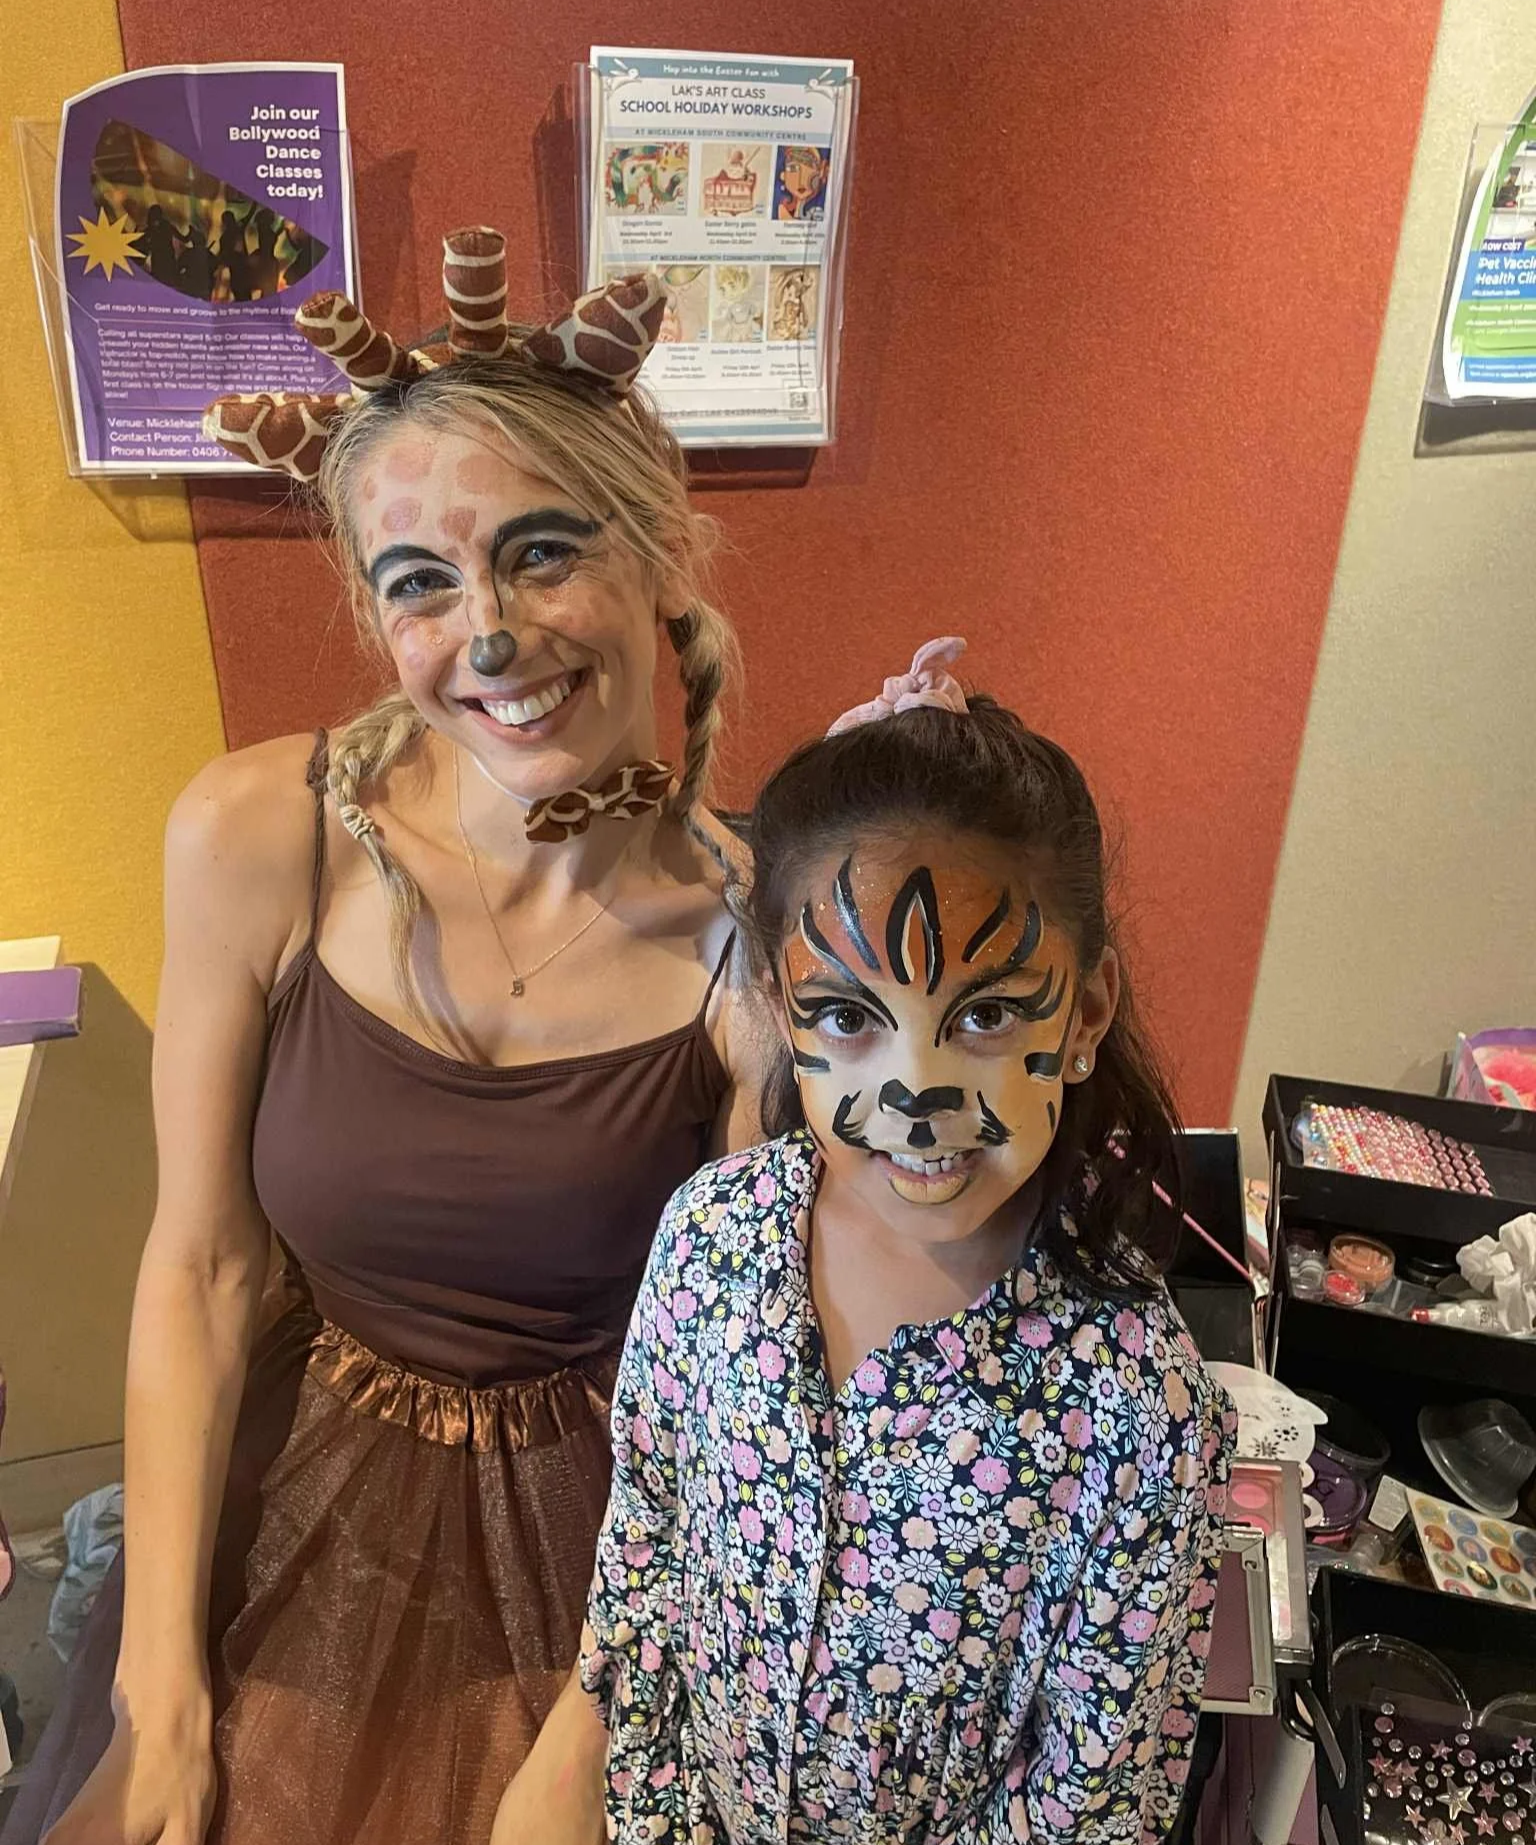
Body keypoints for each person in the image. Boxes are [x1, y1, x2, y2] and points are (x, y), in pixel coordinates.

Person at [7, 238, 757, 1845]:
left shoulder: (749, 939)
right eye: (422, 582)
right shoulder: (260, 836)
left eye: (541, 554)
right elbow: (201, 1268)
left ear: (664, 557)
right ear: (375, 612)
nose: (487, 636)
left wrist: (587, 1734)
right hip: (297, 1502)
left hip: (599, 1552)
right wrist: (165, 1694)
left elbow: (731, 1396)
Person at [500, 639, 1236, 1844]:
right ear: (779, 1013)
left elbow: (1089, 1805)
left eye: (987, 1015)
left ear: (1088, 1012)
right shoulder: (711, 1241)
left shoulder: (1137, 1418)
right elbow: (649, 1529)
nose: (918, 1096)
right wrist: (585, 1739)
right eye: (848, 1017)